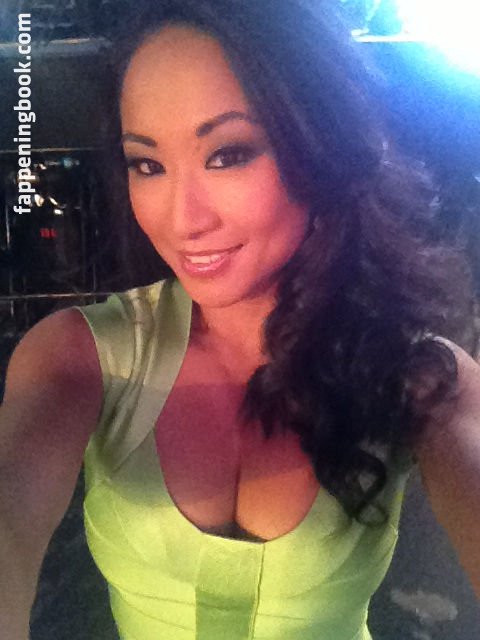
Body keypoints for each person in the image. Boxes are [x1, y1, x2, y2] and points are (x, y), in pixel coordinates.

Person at [1, 1, 479, 638]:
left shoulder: (415, 373)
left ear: (320, 145)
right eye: (148, 164)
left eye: (228, 154)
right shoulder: (79, 356)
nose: (183, 219)